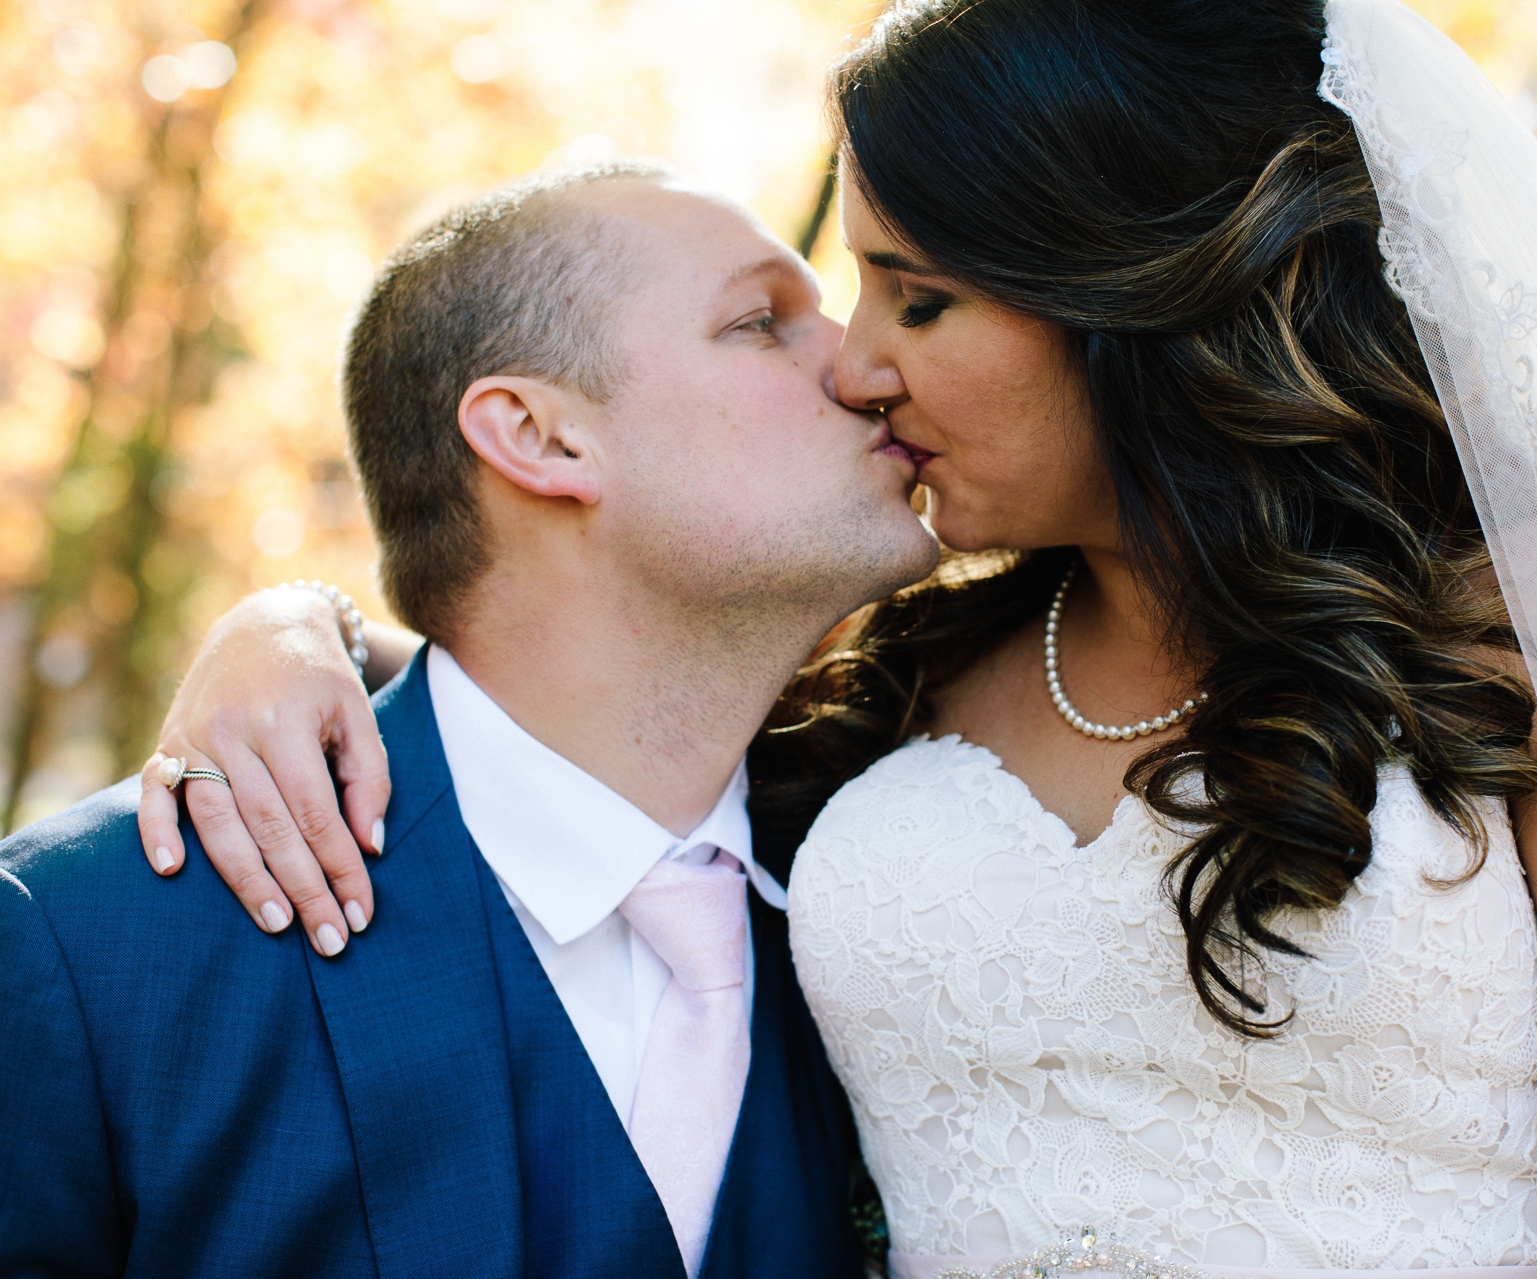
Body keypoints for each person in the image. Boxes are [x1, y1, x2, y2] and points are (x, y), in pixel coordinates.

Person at [130, 0, 1537, 1276]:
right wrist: (284, 633)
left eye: (917, 293)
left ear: (1124, 291)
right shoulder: (884, 681)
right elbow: (569, 716)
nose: (857, 359)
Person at [0, 161, 936, 1276]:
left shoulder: (912, 896)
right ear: (539, 438)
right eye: (761, 322)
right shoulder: (84, 944)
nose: (868, 362)